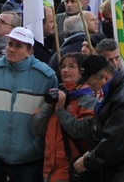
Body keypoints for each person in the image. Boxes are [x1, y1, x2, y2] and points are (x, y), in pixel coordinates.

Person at [0, 27, 58, 182]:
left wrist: (36, 147)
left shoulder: (46, 77)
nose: (11, 49)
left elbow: (51, 117)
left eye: (18, 46)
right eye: (10, 44)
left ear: (29, 51)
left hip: (29, 155)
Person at [73, 55, 124, 181]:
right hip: (118, 165)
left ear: (105, 77)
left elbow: (114, 141)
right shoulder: (113, 94)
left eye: (91, 83)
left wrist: (88, 161)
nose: (90, 87)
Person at [31, 52, 96, 182]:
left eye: (71, 66)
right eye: (63, 67)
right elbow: (35, 128)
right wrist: (50, 107)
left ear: (82, 71)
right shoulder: (56, 95)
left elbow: (82, 131)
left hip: (73, 171)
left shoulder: (87, 98)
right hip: (50, 170)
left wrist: (60, 111)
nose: (65, 70)